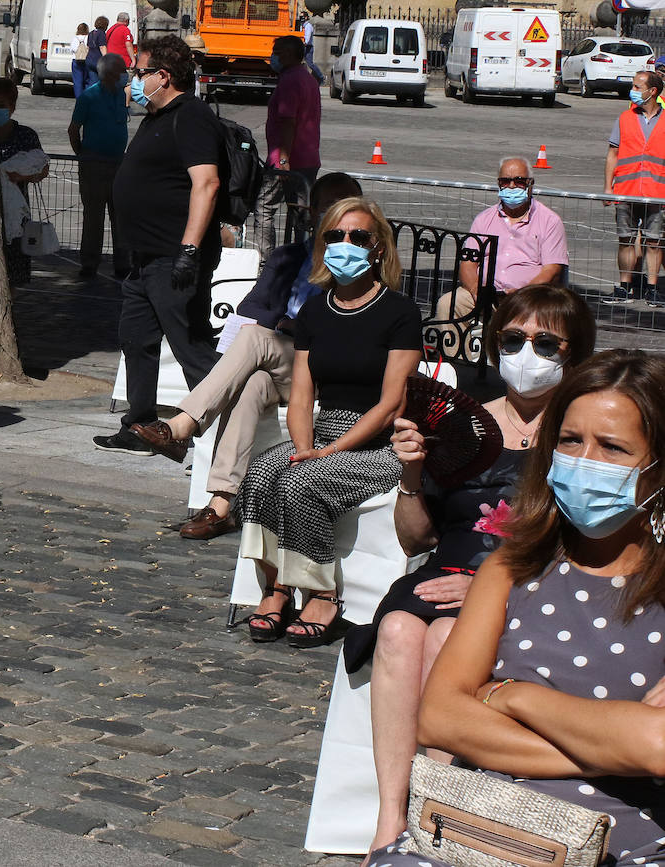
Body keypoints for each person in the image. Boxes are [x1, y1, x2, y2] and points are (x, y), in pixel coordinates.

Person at [373, 349, 665, 867]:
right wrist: (614, 751)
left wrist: (510, 696)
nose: (585, 461)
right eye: (571, 441)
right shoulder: (511, 569)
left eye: (614, 447)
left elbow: (657, 744)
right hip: (479, 829)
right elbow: (440, 719)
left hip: (624, 846)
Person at [349, 285, 596, 858]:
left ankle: (440, 807)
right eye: (513, 338)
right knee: (397, 629)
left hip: (534, 578)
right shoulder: (465, 423)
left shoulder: (581, 434)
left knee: (443, 634)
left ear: (574, 352)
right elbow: (418, 537)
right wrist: (410, 476)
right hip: (445, 565)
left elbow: (589, 540)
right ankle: (392, 816)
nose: (526, 352)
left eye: (545, 341)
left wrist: (492, 588)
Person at [131, 172, 363, 539]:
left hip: (324, 371)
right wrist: (282, 325)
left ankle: (183, 425)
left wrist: (290, 326)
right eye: (328, 206)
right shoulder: (290, 257)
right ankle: (223, 504)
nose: (337, 214)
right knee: (251, 382)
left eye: (346, 203)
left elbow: (347, 331)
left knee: (256, 337)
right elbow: (251, 306)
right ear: (312, 212)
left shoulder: (361, 266)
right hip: (284, 368)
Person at [235, 197, 423, 647]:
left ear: (378, 246)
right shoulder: (315, 312)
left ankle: (322, 593)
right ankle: (276, 585)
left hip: (379, 442)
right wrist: (305, 447)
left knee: (303, 482)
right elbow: (302, 395)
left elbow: (391, 404)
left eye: (357, 236)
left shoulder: (401, 312)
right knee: (261, 474)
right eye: (334, 236)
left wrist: (325, 455)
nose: (345, 244)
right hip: (321, 432)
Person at [92, 36, 225, 457]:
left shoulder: (192, 117)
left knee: (191, 348)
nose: (134, 80)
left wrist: (189, 249)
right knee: (136, 340)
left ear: (162, 76)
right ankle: (140, 425)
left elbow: (207, 182)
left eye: (140, 72)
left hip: (174, 257)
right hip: (142, 258)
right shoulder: (156, 116)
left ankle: (221, 433)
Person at [432, 157, 569, 349]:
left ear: (530, 184)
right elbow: (468, 264)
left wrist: (522, 294)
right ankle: (457, 363)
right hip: (486, 294)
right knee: (448, 304)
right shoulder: (484, 219)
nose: (512, 186)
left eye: (519, 180)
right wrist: (476, 291)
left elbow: (552, 270)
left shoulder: (549, 221)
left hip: (529, 298)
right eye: (505, 181)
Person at [68, 53, 130, 280]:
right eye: (123, 70)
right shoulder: (89, 97)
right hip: (94, 162)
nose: (126, 74)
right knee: (94, 216)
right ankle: (90, 263)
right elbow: (73, 129)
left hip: (118, 162)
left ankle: (123, 262)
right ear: (112, 73)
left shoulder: (121, 95)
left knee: (120, 215)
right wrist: (83, 155)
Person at [605, 69, 665, 305]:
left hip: (657, 192)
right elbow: (613, 154)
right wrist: (608, 187)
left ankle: (652, 288)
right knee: (626, 239)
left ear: (653, 92)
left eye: (638, 87)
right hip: (626, 189)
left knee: (654, 241)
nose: (633, 91)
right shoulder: (625, 118)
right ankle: (625, 287)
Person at [258, 35, 321, 255]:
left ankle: (267, 259)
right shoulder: (308, 78)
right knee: (301, 213)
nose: (273, 56)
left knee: (265, 207)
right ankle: (303, 257)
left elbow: (288, 121)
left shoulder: (290, 80)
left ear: (288, 55)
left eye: (276, 52)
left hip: (286, 160)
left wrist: (283, 158)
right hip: (309, 157)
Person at [0, 76, 49, 288]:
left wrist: (21, 177)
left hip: (17, 214)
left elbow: (43, 169)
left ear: (12, 106)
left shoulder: (26, 136)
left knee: (12, 275)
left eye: (0, 106)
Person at [299, 11, 324, 83]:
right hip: (303, 46)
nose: (301, 18)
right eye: (301, 17)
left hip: (307, 47)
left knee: (310, 63)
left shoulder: (308, 26)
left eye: (303, 17)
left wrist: (305, 43)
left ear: (306, 17)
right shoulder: (302, 26)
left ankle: (321, 77)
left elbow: (307, 36)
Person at [86, 16, 108, 86]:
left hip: (89, 59)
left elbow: (88, 47)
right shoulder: (101, 33)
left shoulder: (91, 33)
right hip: (98, 60)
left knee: (92, 81)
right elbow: (102, 47)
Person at [72, 22, 91, 98]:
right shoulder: (88, 37)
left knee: (77, 81)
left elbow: (73, 49)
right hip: (86, 60)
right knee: (87, 79)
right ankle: (86, 96)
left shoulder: (75, 38)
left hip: (76, 60)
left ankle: (79, 98)